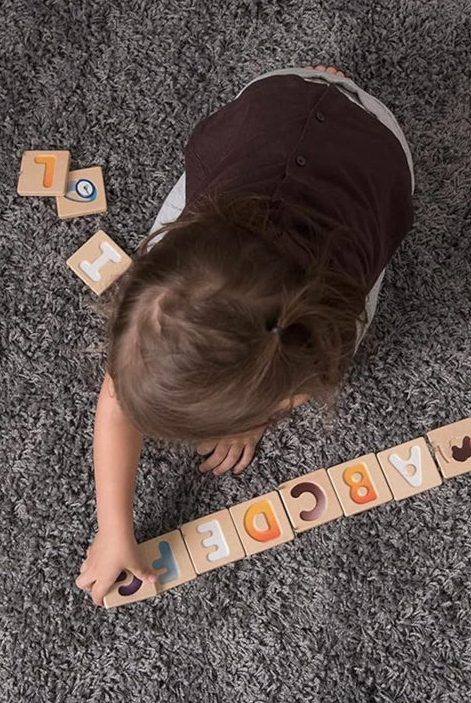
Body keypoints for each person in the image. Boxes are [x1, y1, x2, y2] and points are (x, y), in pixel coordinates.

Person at [75, 65, 415, 606]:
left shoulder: (332, 327)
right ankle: (323, 90)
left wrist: (253, 417)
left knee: (326, 343)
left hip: (373, 145)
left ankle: (326, 92)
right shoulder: (171, 269)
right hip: (274, 104)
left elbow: (298, 373)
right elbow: (118, 401)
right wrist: (114, 526)